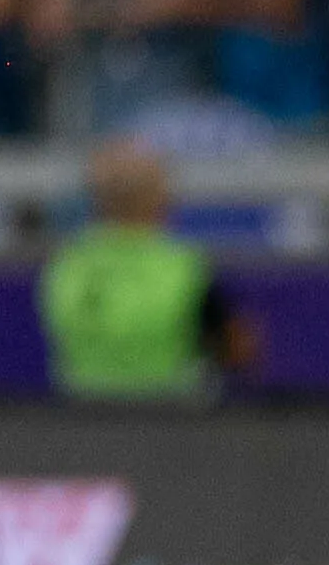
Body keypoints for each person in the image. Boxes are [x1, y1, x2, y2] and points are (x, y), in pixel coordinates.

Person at [40, 138, 251, 400]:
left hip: (80, 421)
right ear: (160, 198)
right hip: (172, 422)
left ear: (96, 199)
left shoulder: (65, 265)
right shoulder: (184, 267)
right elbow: (236, 351)